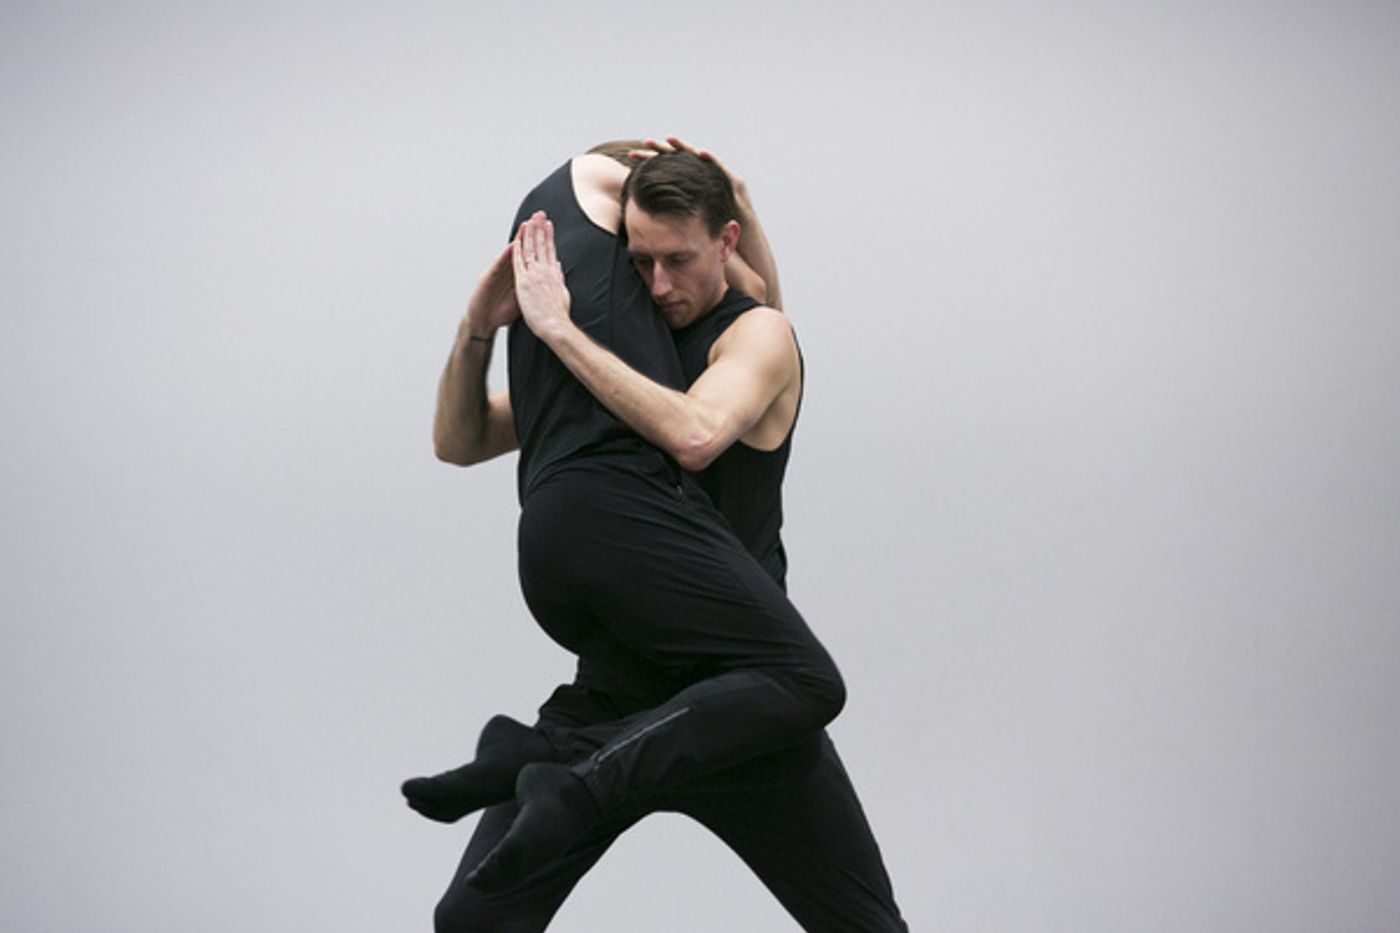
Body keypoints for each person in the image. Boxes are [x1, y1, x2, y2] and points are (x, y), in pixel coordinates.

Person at [410, 142, 857, 926]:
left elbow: (695, 430)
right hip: (620, 693)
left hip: (731, 704)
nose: (658, 285)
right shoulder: (634, 356)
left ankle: (551, 766)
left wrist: (558, 329)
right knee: (469, 919)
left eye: (678, 260)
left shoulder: (757, 339)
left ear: (727, 240)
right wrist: (478, 330)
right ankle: (549, 765)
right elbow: (461, 439)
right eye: (640, 261)